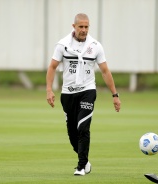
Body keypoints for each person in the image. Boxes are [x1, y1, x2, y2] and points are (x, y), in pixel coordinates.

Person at [46, 13, 121, 176]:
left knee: (83, 127)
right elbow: (52, 67)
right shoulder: (62, 45)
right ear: (74, 27)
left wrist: (115, 95)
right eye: (81, 27)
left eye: (86, 27)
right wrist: (49, 90)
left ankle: (80, 167)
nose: (84, 30)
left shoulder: (95, 46)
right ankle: (85, 161)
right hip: (67, 93)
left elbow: (105, 71)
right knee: (72, 133)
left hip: (87, 90)